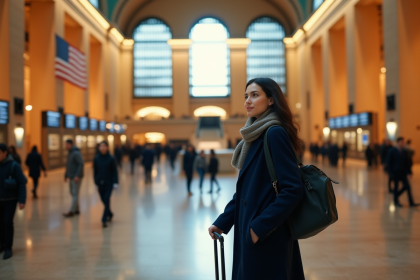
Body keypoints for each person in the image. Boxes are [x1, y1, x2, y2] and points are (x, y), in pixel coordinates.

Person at [208, 78, 305, 279]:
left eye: (255, 95)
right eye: (246, 96)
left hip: (268, 236)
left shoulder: (274, 133)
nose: (248, 101)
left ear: (271, 100)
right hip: (253, 233)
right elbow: (246, 189)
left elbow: (293, 189)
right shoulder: (254, 136)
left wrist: (258, 228)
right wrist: (224, 221)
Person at [0, 143, 27, 259]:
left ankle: (8, 248)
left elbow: (22, 183)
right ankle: (2, 244)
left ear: (5, 153)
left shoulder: (14, 165)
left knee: (7, 222)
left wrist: (22, 200)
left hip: (10, 199)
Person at [386, 137, 419, 208]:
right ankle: (396, 201)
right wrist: (390, 173)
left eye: (403, 142)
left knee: (407, 186)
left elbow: (406, 163)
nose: (402, 143)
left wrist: (409, 172)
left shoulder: (404, 151)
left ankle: (411, 202)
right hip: (395, 172)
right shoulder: (392, 151)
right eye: (401, 142)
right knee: (396, 187)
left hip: (403, 172)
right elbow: (389, 163)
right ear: (398, 142)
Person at [93, 141, 118, 228]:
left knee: (107, 198)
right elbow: (95, 171)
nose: (102, 148)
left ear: (107, 147)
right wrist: (95, 182)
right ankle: (110, 214)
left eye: (104, 146)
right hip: (100, 183)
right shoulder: (96, 158)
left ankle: (104, 219)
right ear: (99, 148)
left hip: (109, 183)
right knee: (103, 200)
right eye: (101, 146)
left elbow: (114, 171)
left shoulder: (111, 158)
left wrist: (115, 182)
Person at [63, 139, 84, 217]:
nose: (65, 146)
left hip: (76, 177)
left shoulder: (76, 153)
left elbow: (81, 164)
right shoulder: (70, 153)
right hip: (71, 176)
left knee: (74, 193)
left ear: (70, 144)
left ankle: (71, 211)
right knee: (73, 193)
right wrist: (66, 175)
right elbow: (68, 165)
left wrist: (77, 175)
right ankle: (77, 209)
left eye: (66, 145)